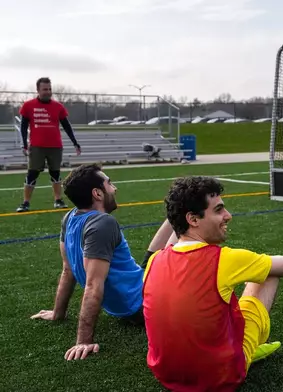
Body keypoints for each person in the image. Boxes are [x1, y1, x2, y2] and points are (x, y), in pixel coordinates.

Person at [142, 176, 283, 392]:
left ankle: (238, 344)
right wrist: (256, 263)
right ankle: (247, 348)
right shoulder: (224, 258)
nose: (228, 216)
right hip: (220, 378)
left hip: (165, 374)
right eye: (219, 210)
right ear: (193, 219)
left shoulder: (155, 260)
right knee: (268, 272)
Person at [30, 163, 177, 361]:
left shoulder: (70, 217)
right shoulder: (102, 223)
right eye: (109, 183)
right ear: (97, 194)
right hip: (142, 303)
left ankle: (179, 211)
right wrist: (83, 340)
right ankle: (185, 215)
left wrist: (58, 313)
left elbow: (68, 269)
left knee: (168, 233)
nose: (114, 188)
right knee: (191, 232)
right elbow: (93, 285)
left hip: (136, 284)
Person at [16, 77, 82, 213]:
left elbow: (67, 126)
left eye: (49, 89)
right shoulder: (28, 106)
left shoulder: (58, 107)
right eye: (45, 89)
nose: (48, 92)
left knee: (55, 173)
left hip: (55, 146)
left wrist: (75, 143)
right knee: (32, 174)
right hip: (37, 146)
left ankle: (58, 200)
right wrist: (24, 144)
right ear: (38, 90)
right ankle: (25, 202)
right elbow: (23, 127)